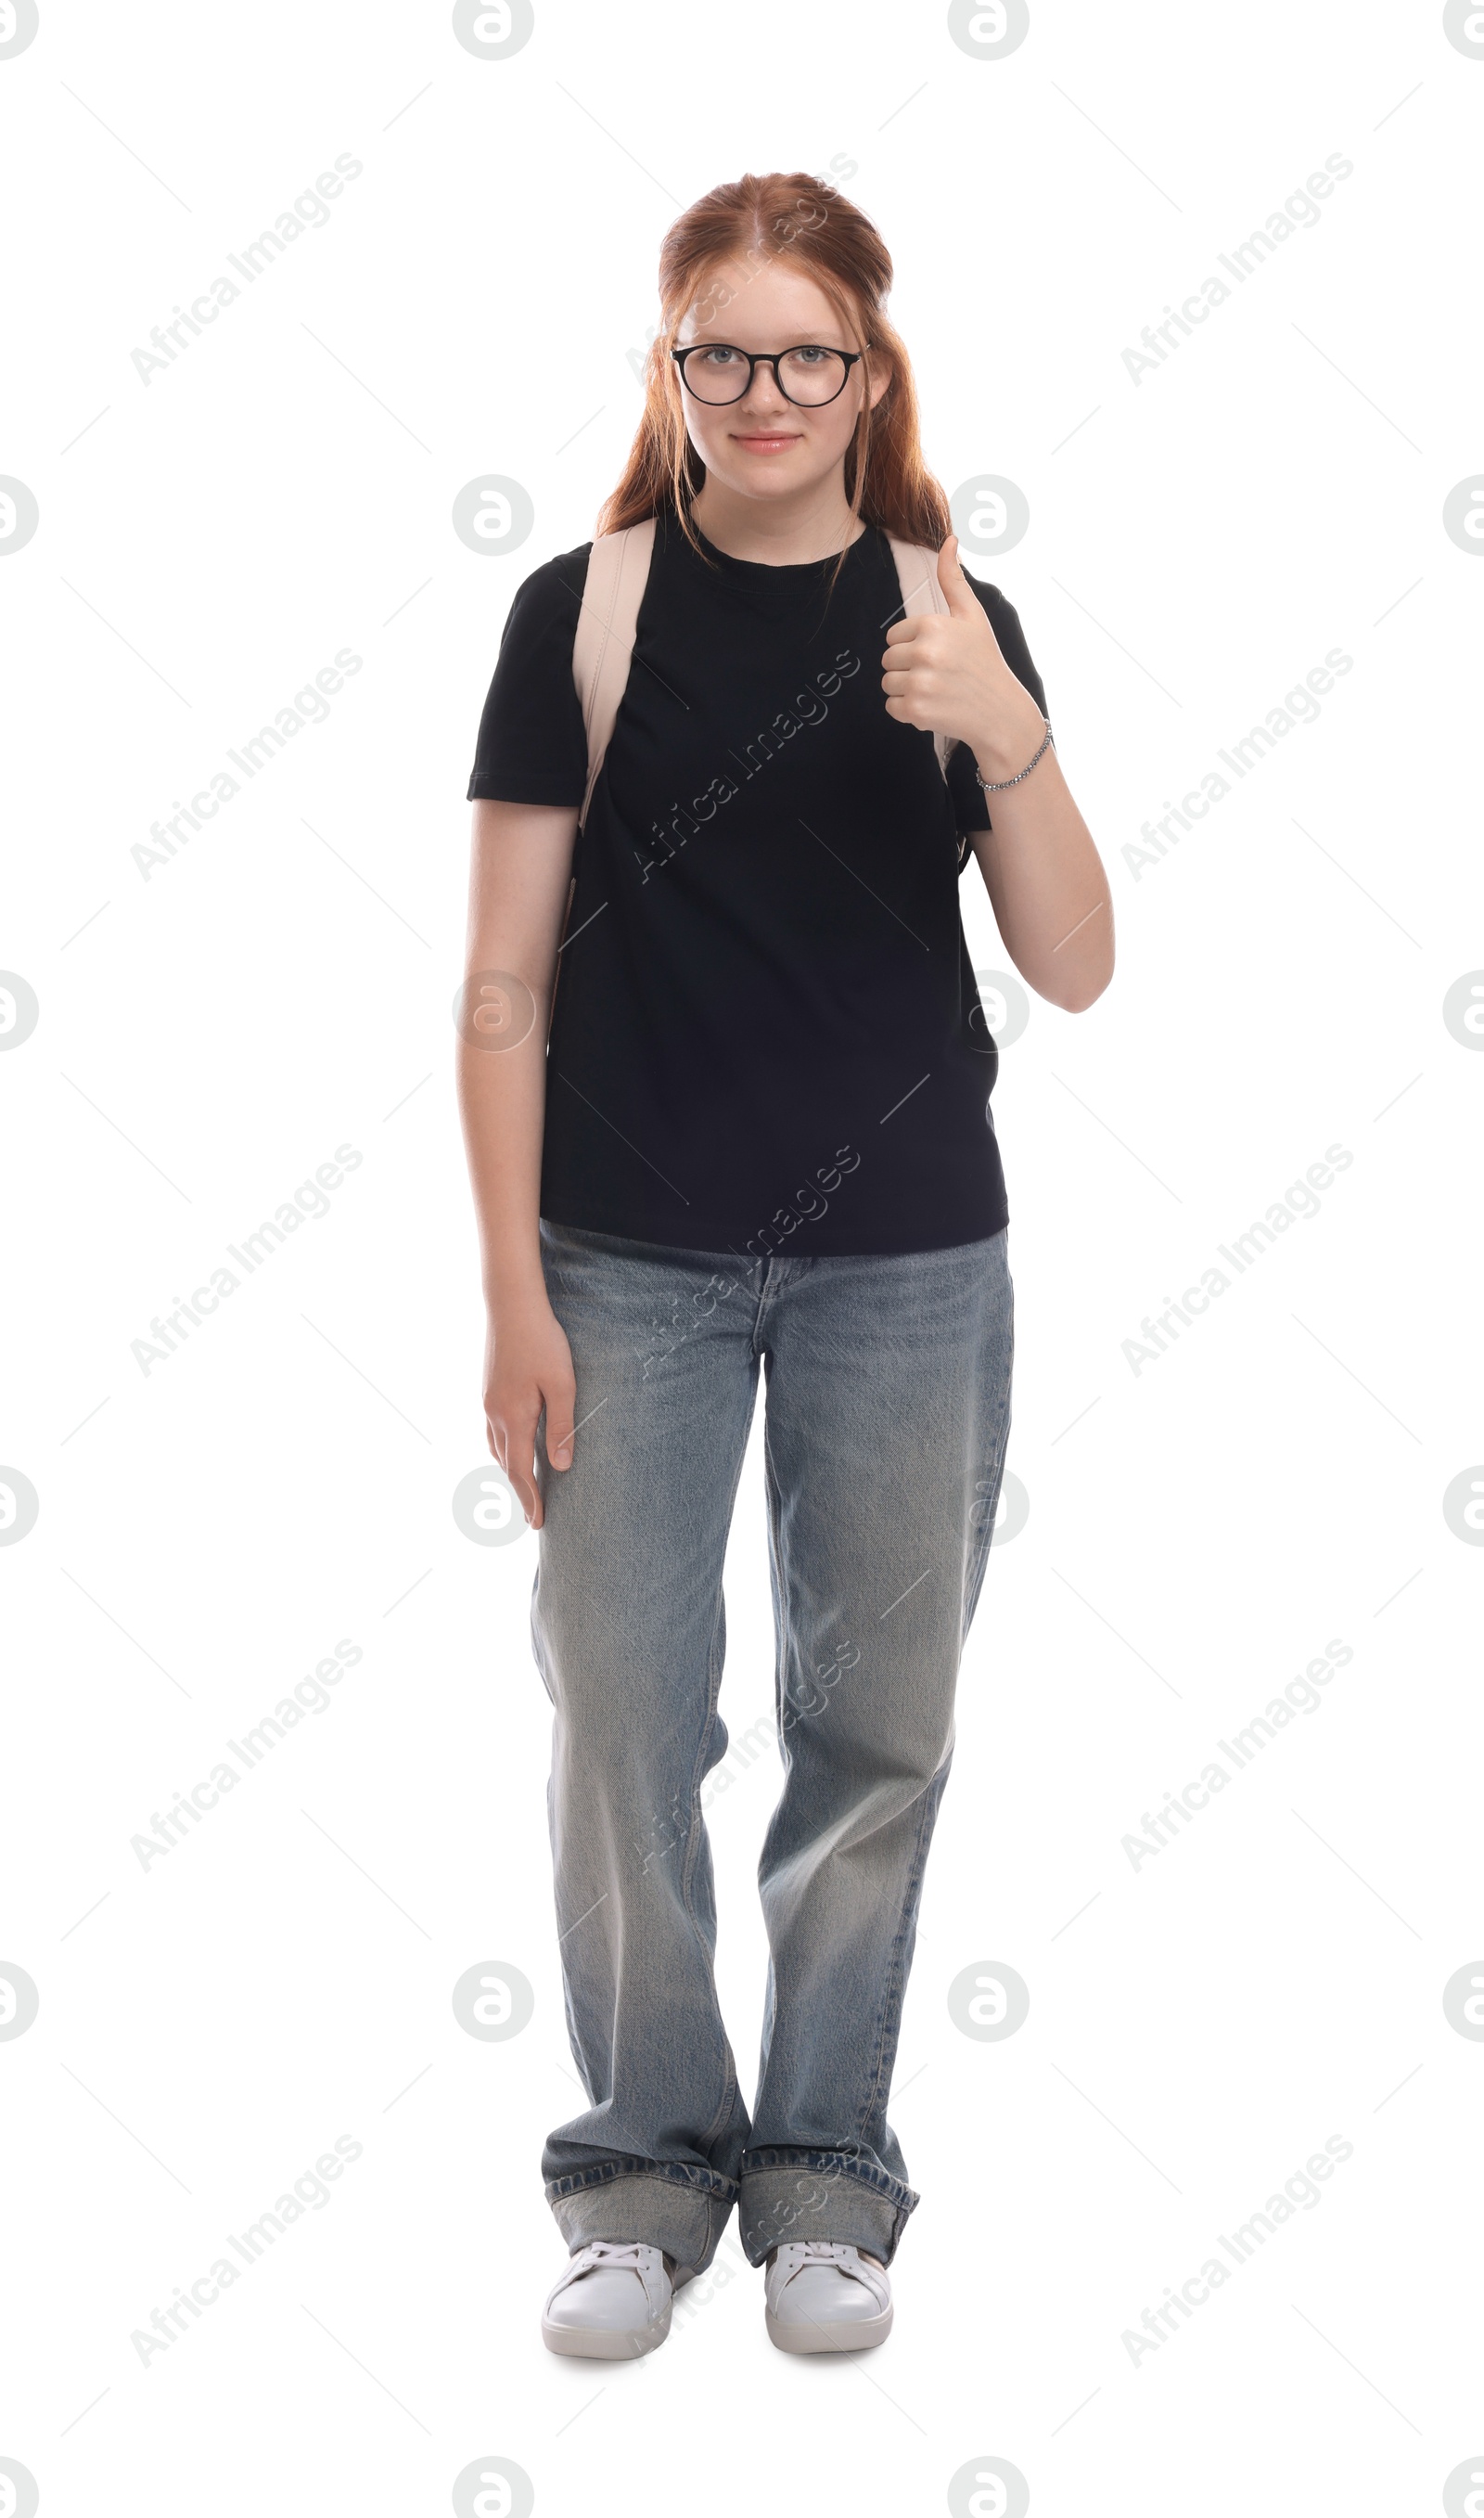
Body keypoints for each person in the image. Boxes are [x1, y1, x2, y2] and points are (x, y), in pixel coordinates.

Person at [457, 170, 1113, 2362]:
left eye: (801, 352)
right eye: (716, 351)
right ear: (670, 368)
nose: (759, 390)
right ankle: (643, 2167)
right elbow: (498, 987)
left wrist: (999, 728)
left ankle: (826, 2173)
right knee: (621, 1725)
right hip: (621, 1266)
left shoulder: (951, 612)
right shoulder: (581, 609)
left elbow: (1076, 968)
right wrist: (509, 1294)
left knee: (875, 1725)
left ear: (866, 373)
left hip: (905, 1261)